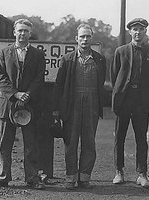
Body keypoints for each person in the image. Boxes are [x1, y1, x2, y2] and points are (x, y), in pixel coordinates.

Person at [0, 19, 46, 189]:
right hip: (7, 103)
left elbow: (39, 78)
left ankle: (32, 178)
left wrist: (27, 94)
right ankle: (3, 176)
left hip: (29, 104)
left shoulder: (38, 54)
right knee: (5, 143)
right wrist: (16, 94)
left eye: (26, 31)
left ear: (30, 33)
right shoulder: (4, 52)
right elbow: (0, 77)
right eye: (20, 30)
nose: (22, 34)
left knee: (31, 143)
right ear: (14, 32)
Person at [52, 24, 106, 190]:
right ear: (76, 39)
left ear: (92, 38)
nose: (84, 40)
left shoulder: (100, 59)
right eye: (81, 36)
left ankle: (84, 178)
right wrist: (56, 109)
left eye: (87, 36)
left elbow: (101, 84)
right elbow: (59, 85)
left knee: (89, 143)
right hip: (72, 104)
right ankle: (70, 178)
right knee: (71, 142)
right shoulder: (67, 59)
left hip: (92, 105)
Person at [110, 18, 149, 188]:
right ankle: (119, 171)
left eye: (141, 29)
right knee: (119, 137)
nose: (138, 32)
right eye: (135, 29)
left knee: (141, 138)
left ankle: (142, 174)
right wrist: (120, 94)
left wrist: (143, 92)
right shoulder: (120, 51)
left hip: (141, 100)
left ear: (145, 32)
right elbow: (114, 77)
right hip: (124, 100)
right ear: (130, 32)